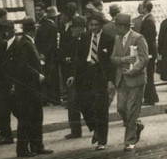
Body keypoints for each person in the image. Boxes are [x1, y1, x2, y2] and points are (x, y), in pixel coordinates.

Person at [69, 13, 115, 150]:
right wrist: (73, 75)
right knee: (83, 103)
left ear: (101, 25)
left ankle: (102, 140)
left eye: (96, 25)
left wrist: (110, 80)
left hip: (100, 74)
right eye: (91, 25)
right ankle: (94, 127)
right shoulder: (84, 37)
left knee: (101, 107)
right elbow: (78, 58)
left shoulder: (109, 39)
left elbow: (111, 63)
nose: (93, 28)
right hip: (85, 73)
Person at [8, 18, 53, 158]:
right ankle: (24, 149)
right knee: (28, 118)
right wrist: (37, 75)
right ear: (34, 29)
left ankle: (36, 146)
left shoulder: (25, 42)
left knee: (34, 117)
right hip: (28, 87)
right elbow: (23, 65)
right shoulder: (26, 44)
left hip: (29, 87)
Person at [110, 12, 149, 151]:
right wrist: (122, 60)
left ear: (123, 26)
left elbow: (144, 58)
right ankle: (136, 126)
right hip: (121, 79)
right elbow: (113, 58)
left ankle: (130, 140)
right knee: (121, 107)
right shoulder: (117, 39)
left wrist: (133, 71)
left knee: (132, 109)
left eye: (117, 25)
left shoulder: (138, 38)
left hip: (135, 79)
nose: (115, 28)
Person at [59, 15, 87, 139]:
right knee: (72, 104)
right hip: (74, 77)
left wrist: (73, 60)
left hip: (85, 78)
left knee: (86, 104)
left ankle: (96, 127)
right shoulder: (74, 40)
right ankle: (75, 130)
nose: (71, 31)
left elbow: (85, 60)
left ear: (80, 28)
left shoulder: (87, 40)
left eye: (73, 28)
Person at [35, 7, 61, 107]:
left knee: (46, 77)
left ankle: (47, 99)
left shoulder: (42, 26)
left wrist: (42, 53)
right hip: (52, 56)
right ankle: (55, 99)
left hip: (44, 56)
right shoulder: (52, 26)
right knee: (54, 78)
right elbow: (53, 44)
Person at [136, 0, 159, 106]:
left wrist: (147, 53)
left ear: (145, 8)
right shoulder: (147, 19)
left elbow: (149, 39)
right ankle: (152, 97)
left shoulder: (148, 20)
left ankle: (150, 98)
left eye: (140, 6)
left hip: (149, 51)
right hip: (149, 51)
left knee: (149, 75)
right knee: (149, 75)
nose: (138, 8)